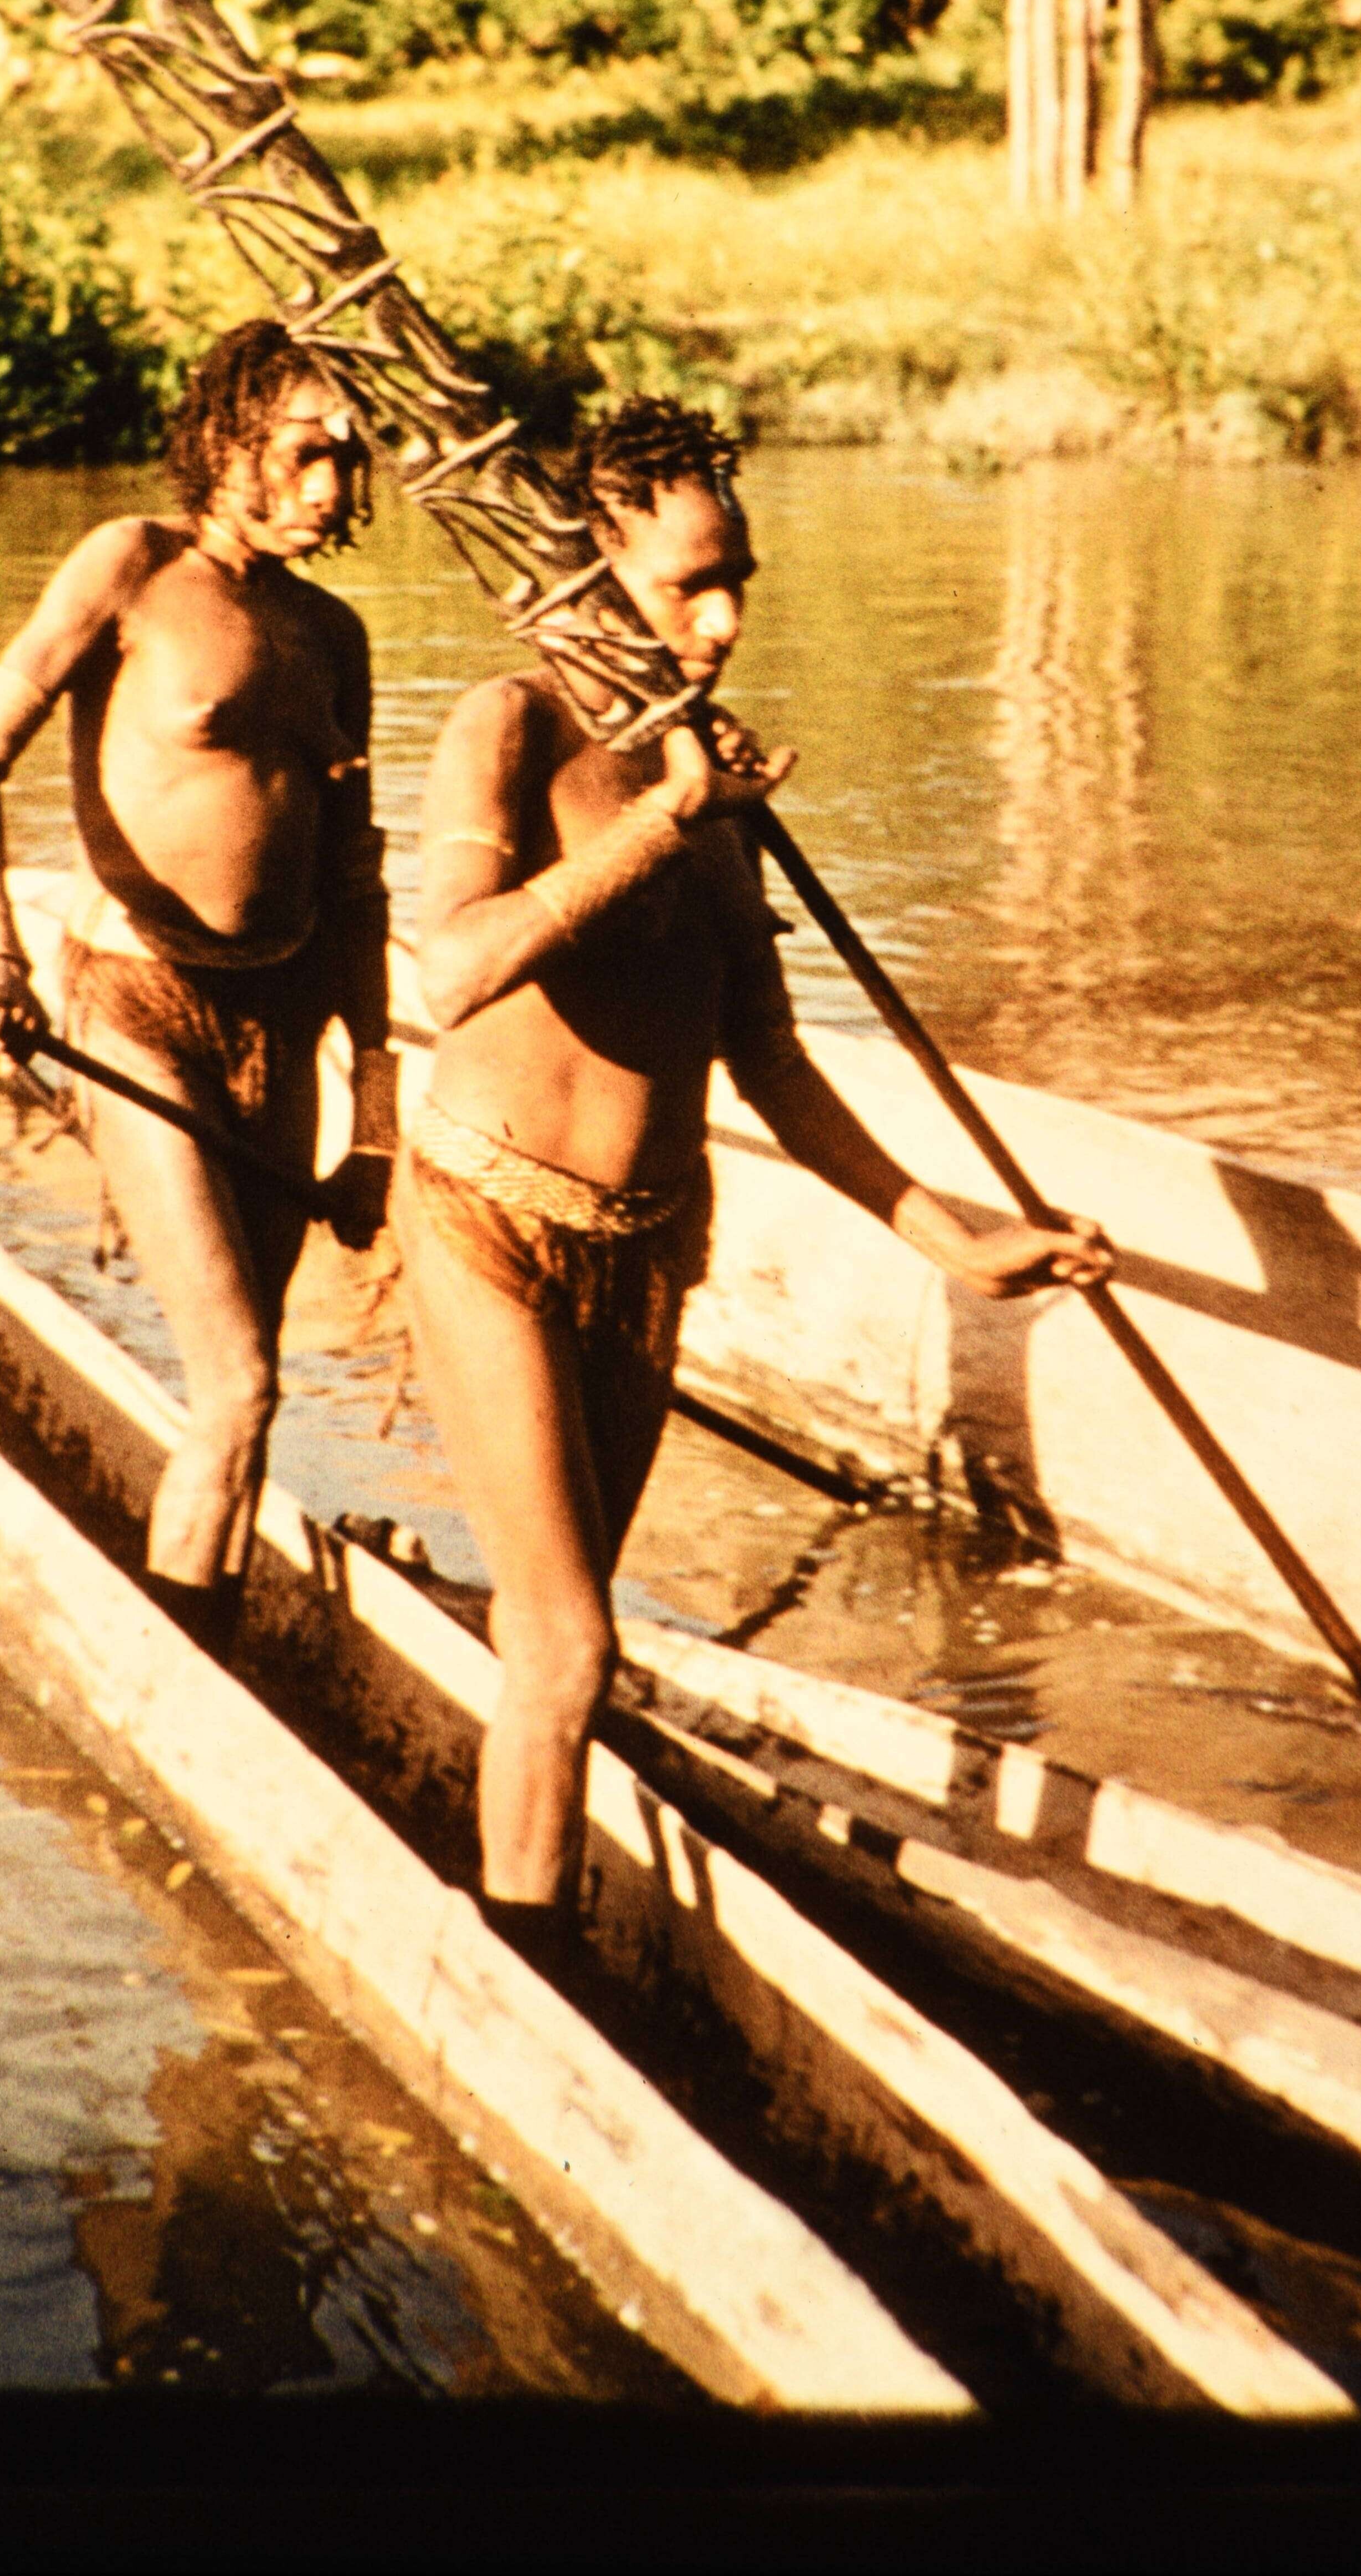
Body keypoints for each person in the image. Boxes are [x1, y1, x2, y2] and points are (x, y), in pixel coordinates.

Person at [396, 395, 1115, 1971]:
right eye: (688, 586)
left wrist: (953, 1242)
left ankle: (534, 1905)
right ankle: (520, 1974)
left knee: (562, 1632)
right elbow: (450, 971)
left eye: (738, 585)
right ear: (590, 568)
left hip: (650, 1244)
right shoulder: (513, 730)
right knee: (569, 1644)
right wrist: (665, 815)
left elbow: (774, 1062)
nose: (721, 624)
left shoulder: (722, 793)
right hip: (490, 1220)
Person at [0, 320, 398, 1654]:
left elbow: (356, 883)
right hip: (136, 1007)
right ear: (227, 442)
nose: (331, 489)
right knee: (240, 1379)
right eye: (305, 455)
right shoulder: (131, 565)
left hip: (284, 1025)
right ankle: (176, 1662)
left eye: (350, 462)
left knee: (251, 1388)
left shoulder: (335, 633)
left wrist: (375, 1116)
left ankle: (210, 1630)